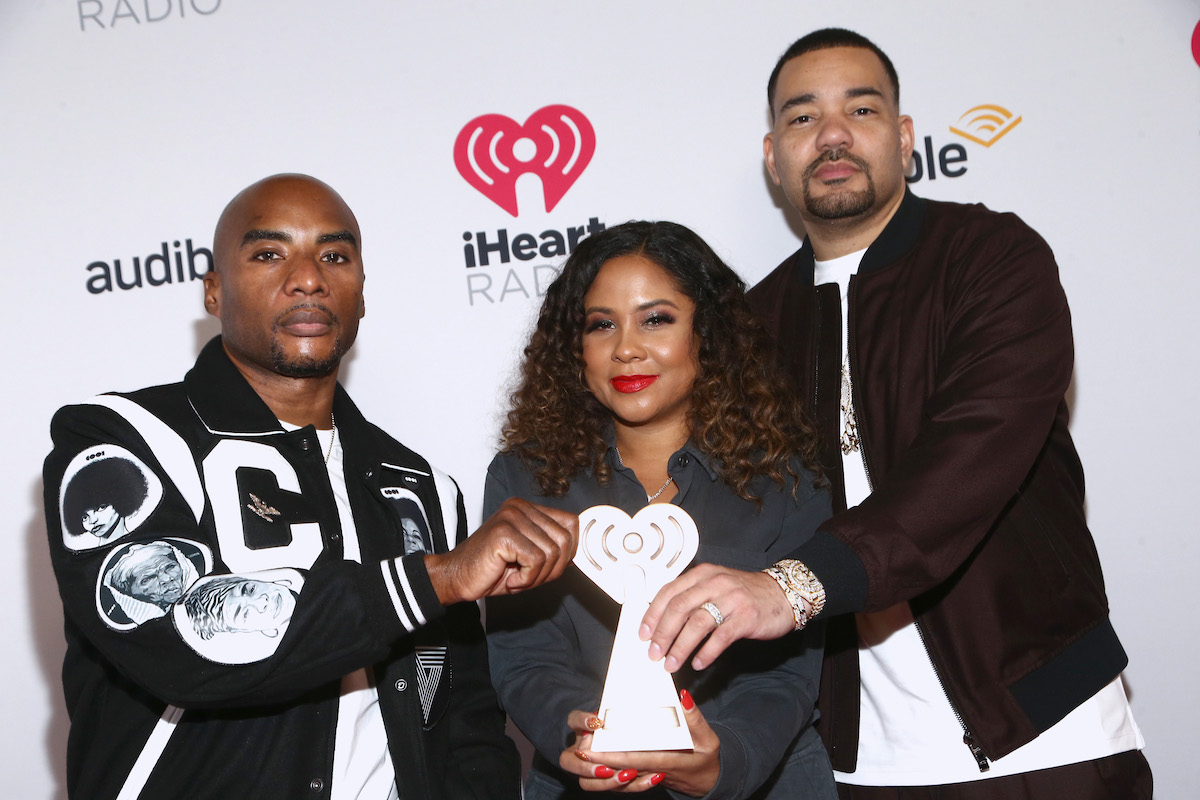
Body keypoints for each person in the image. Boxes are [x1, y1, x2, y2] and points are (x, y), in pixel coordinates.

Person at [639, 29, 1151, 799]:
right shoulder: (753, 326)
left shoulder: (993, 258)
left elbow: (970, 461)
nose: (834, 134)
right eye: (803, 118)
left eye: (862, 108)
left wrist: (794, 585)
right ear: (774, 157)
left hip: (1047, 732)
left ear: (905, 139)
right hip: (861, 761)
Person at [43, 173, 579, 800]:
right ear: (214, 292)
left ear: (360, 292)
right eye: (269, 254)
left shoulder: (421, 486)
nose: (308, 278)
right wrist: (434, 579)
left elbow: (461, 719)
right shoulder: (122, 440)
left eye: (335, 255)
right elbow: (181, 635)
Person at [485, 221, 837, 799]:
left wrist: (726, 759)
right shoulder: (525, 480)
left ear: (709, 333)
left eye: (656, 319)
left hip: (762, 780)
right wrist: (578, 733)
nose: (626, 348)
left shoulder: (785, 476)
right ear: (576, 348)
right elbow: (526, 659)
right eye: (602, 325)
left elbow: (787, 675)